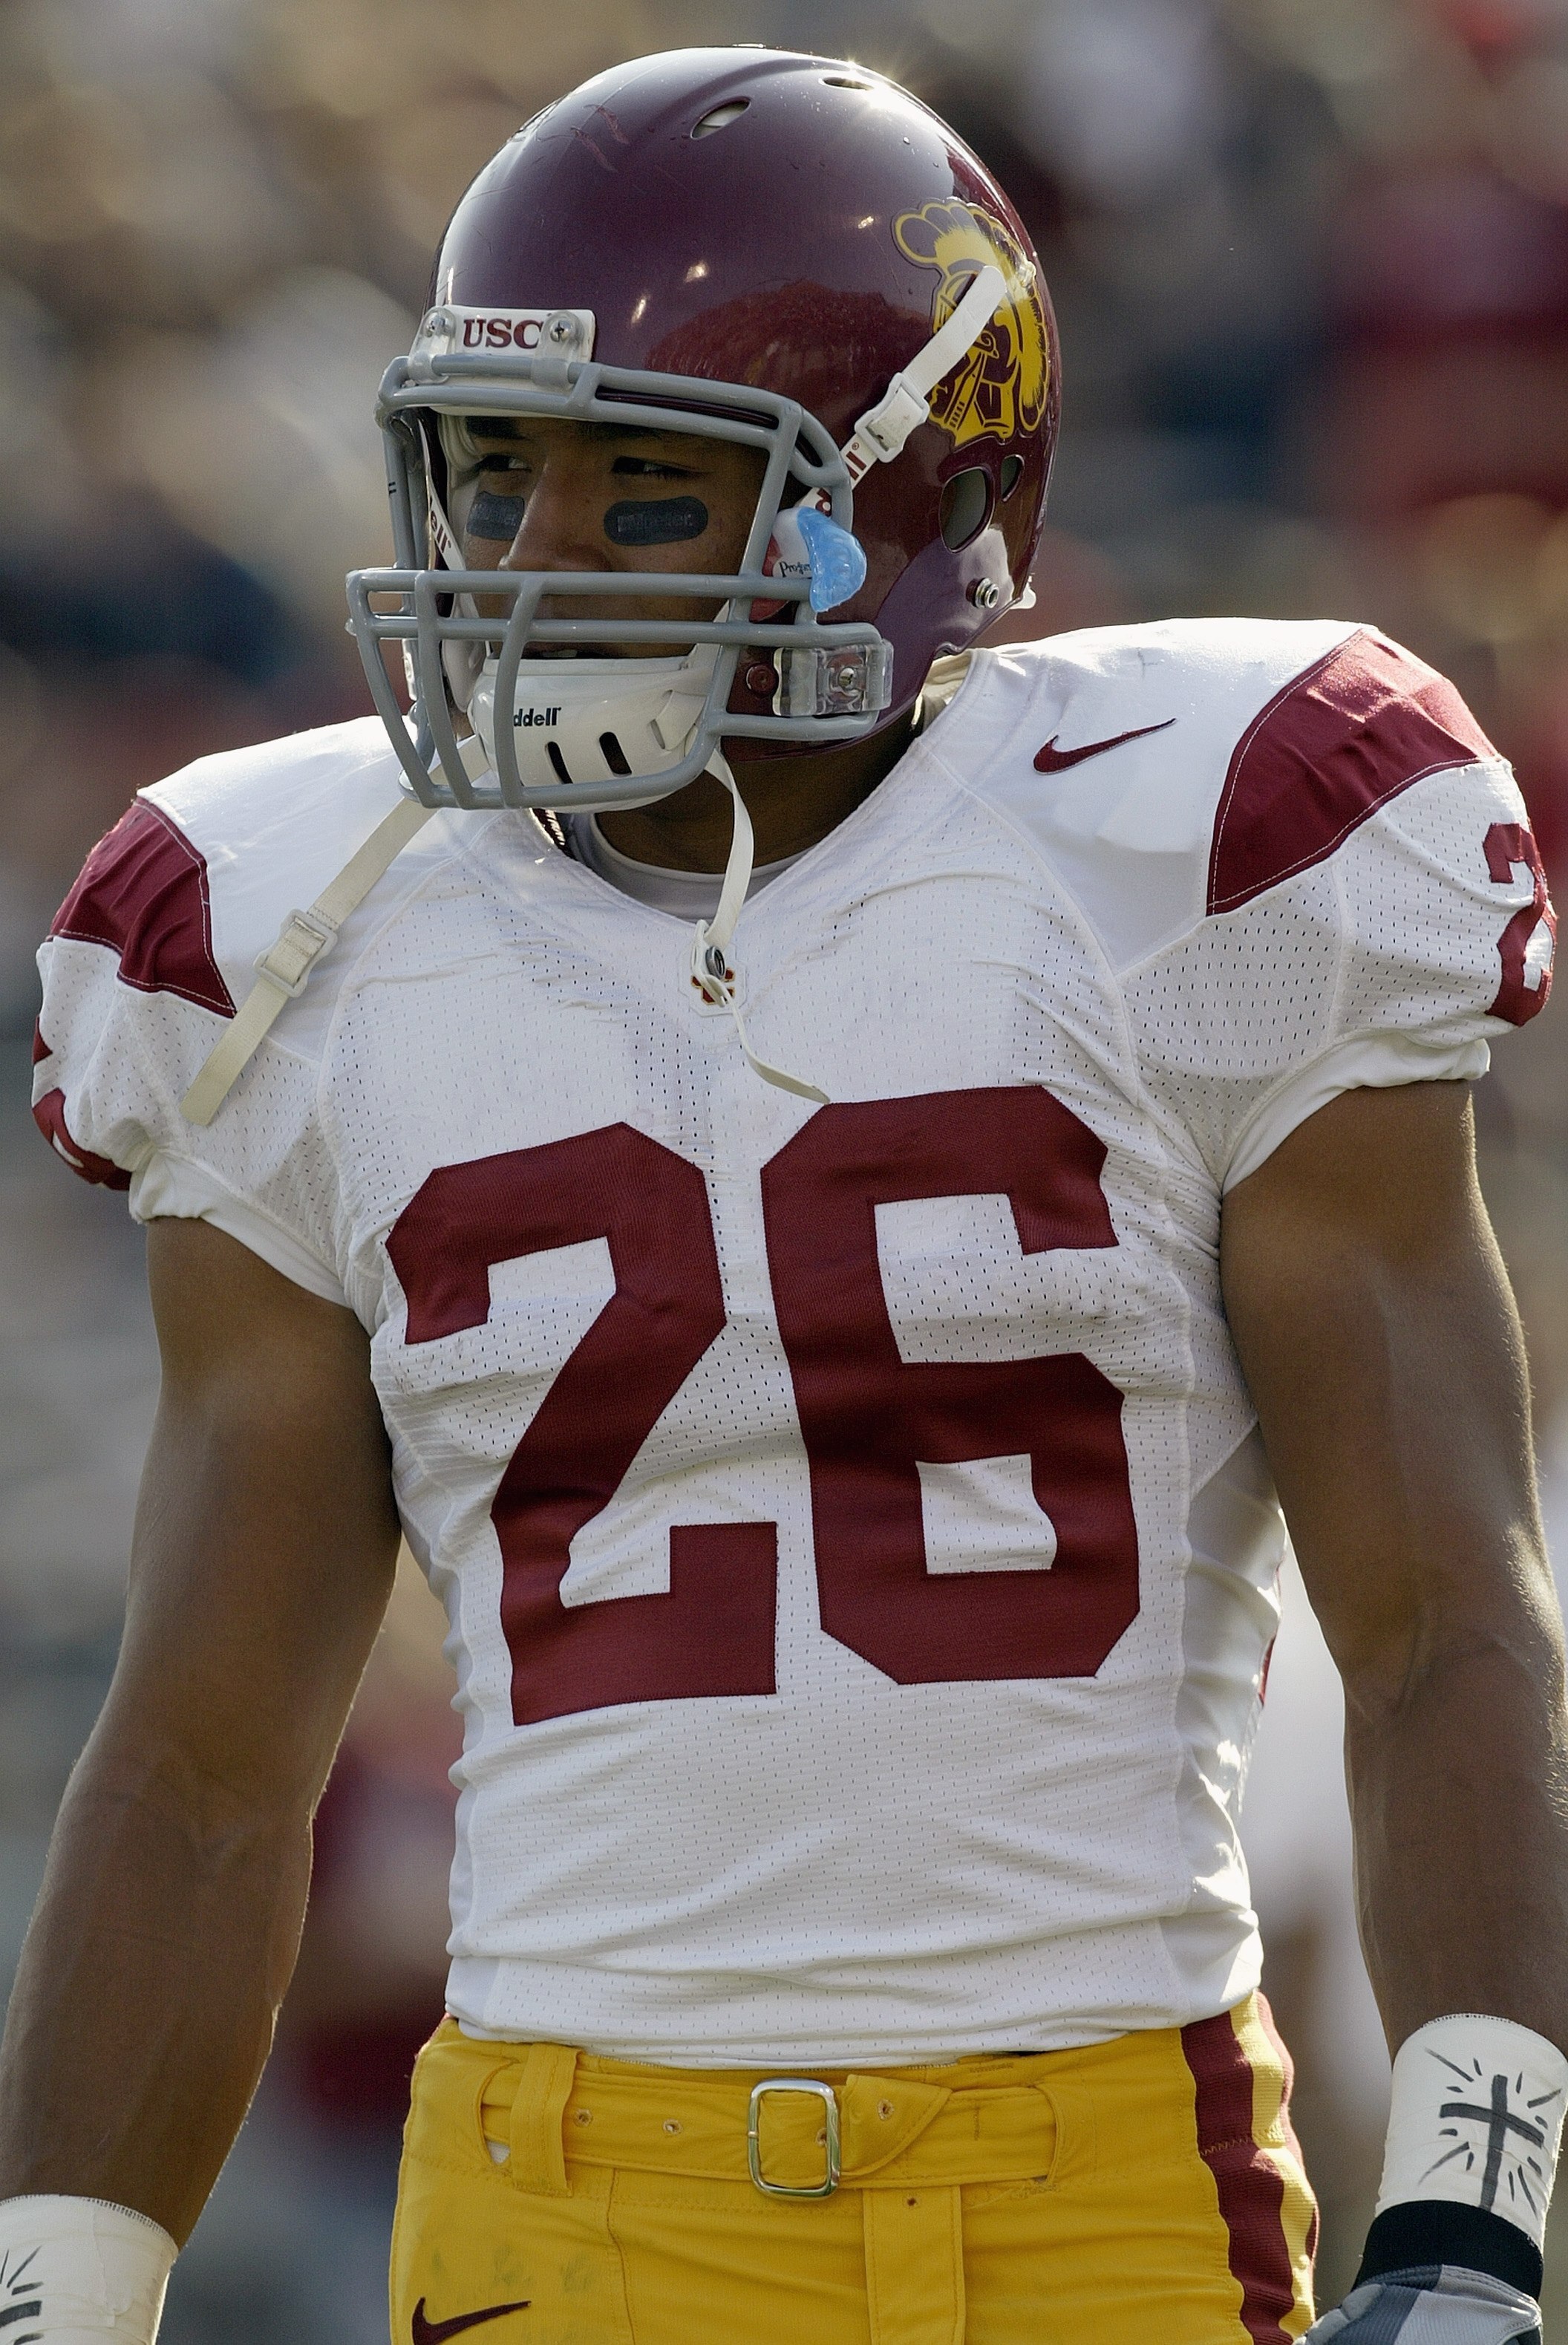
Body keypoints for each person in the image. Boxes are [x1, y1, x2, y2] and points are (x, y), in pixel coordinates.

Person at [2, 43, 1565, 2345]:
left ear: (910, 495)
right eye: (490, 479)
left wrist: (1472, 2213)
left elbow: (1442, 1613)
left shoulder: (1200, 849)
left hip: (1108, 2175)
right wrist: (59, 2292)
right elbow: (211, 1761)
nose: (522, 573)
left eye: (636, 497)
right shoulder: (289, 931)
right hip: (559, 2198)